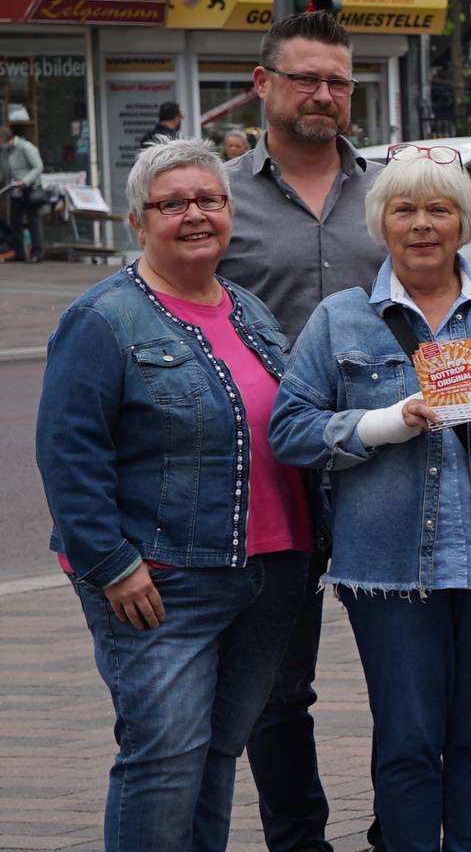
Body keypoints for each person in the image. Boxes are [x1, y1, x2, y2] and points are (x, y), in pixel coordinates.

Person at [267, 147, 471, 852]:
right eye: (404, 209)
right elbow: (290, 430)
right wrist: (384, 424)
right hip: (387, 567)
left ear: (464, 221)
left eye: (439, 209)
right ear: (381, 222)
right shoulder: (339, 319)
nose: (421, 225)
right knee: (408, 742)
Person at [36, 140, 310, 850]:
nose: (195, 215)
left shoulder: (246, 308)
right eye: (173, 204)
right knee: (163, 758)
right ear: (138, 221)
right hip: (163, 578)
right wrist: (110, 564)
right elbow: (70, 453)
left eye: (210, 200)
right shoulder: (103, 320)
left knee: (216, 752)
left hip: (269, 573)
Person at [216, 10, 383, 852]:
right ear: (263, 85)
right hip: (271, 473)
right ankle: (300, 840)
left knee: (407, 671)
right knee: (279, 686)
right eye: (305, 78)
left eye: (338, 82)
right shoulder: (219, 200)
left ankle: (404, 825)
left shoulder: (391, 191)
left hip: (387, 466)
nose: (324, 95)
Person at [1, 119, 44, 262]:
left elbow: (38, 166)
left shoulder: (25, 147)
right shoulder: (5, 151)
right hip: (15, 189)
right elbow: (4, 170)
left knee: (33, 220)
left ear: (4, 138)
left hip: (30, 188)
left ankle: (37, 252)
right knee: (15, 221)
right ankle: (18, 252)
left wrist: (25, 181)